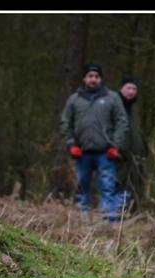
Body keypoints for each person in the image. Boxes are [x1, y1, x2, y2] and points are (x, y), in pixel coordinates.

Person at [60, 64, 129, 223]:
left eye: (96, 76)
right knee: (82, 185)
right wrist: (71, 144)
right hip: (81, 152)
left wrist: (115, 146)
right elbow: (65, 122)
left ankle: (108, 221)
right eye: (90, 76)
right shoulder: (74, 100)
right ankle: (81, 219)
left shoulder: (112, 98)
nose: (93, 79)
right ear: (84, 78)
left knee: (107, 186)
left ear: (101, 79)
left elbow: (122, 122)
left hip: (106, 153)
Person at [116, 75, 147, 212]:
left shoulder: (134, 109)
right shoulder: (115, 106)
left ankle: (123, 215)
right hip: (118, 156)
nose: (131, 91)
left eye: (134, 88)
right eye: (128, 88)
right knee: (117, 185)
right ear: (121, 89)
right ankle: (112, 216)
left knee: (131, 187)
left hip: (134, 158)